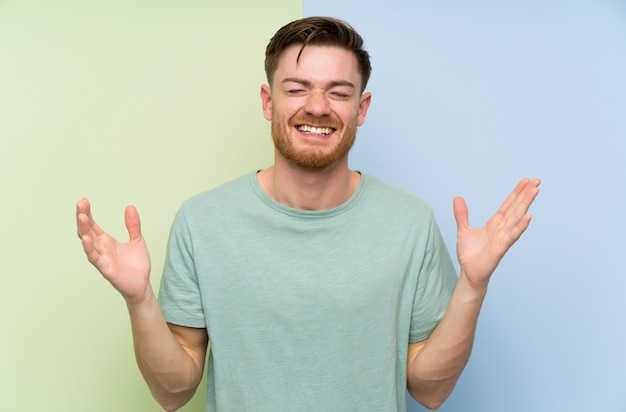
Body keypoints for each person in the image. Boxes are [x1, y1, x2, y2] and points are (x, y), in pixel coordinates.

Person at [76, 16, 540, 412]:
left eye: (339, 93)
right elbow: (173, 392)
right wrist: (139, 302)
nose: (317, 106)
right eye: (296, 88)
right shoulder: (202, 222)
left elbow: (431, 390)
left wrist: (473, 285)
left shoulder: (410, 224)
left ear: (362, 108)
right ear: (267, 101)